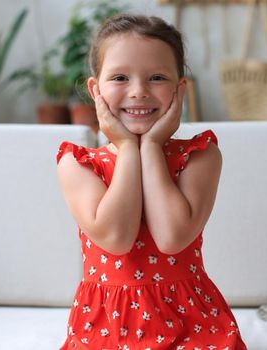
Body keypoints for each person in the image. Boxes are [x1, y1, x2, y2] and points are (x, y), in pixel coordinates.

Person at [56, 13, 247, 350]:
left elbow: (172, 238)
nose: (139, 91)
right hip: (106, 324)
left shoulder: (200, 156)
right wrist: (129, 147)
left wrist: (153, 147)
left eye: (157, 77)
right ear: (95, 89)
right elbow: (116, 238)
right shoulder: (78, 164)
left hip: (191, 322)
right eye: (119, 77)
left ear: (179, 88)